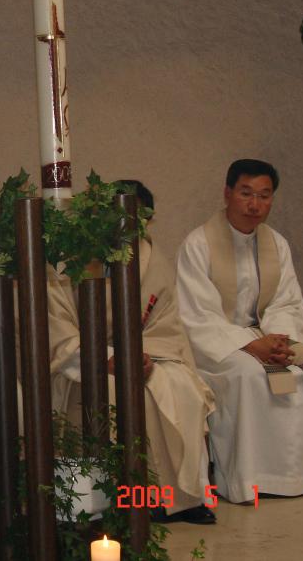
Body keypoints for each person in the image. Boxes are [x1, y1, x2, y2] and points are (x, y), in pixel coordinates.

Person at [176, 159, 303, 503]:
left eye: (264, 195)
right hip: (219, 347)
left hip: (271, 337)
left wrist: (279, 341)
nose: (254, 204)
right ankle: (253, 481)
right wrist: (249, 344)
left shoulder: (277, 244)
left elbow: (288, 302)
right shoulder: (198, 244)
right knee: (250, 378)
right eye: (246, 193)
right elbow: (197, 313)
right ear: (227, 193)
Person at [47, 180, 218, 524]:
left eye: (137, 219)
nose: (125, 226)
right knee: (109, 392)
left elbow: (166, 324)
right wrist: (103, 359)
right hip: (83, 362)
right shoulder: (67, 257)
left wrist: (143, 357)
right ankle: (103, 503)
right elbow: (57, 326)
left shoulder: (152, 260)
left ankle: (179, 498)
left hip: (143, 355)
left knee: (181, 388)